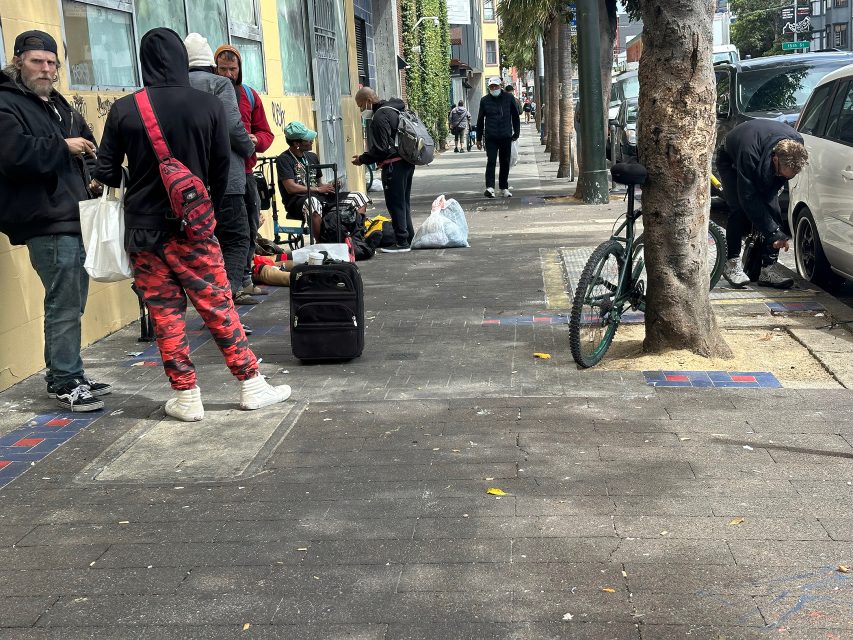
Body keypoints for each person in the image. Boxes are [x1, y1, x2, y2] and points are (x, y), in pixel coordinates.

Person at [94, 27, 290, 422]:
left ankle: (186, 398)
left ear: (144, 61)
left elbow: (107, 173)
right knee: (218, 305)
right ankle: (251, 385)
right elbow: (222, 170)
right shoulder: (209, 104)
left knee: (165, 315)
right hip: (193, 229)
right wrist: (205, 216)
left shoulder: (124, 109)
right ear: (181, 61)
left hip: (143, 232)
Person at [0, 30, 112, 412]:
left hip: (73, 215)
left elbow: (89, 145)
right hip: (45, 221)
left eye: (51, 63)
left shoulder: (59, 105)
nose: (45, 69)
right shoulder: (6, 103)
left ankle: (67, 374)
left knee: (71, 302)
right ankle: (66, 380)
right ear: (18, 62)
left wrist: (94, 175)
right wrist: (62, 147)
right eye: (36, 61)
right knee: (64, 305)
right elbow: (13, 156)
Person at [184, 33, 258, 305]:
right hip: (226, 180)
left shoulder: (171, 87)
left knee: (202, 246)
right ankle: (224, 303)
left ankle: (210, 301)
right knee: (237, 238)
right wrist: (249, 148)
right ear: (211, 64)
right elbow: (232, 126)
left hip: (185, 185)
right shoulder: (220, 85)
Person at [214, 44, 275, 300]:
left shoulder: (249, 96)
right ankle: (229, 287)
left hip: (246, 173)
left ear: (239, 70)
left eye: (232, 69)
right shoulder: (209, 92)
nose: (228, 74)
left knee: (249, 227)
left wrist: (254, 140)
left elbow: (267, 134)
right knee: (224, 234)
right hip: (214, 177)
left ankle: (244, 278)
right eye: (222, 69)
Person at [718, 119, 808, 289]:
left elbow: (771, 193)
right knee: (739, 208)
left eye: (788, 177)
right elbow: (748, 197)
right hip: (730, 158)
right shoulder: (749, 153)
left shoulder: (797, 144)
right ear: (775, 159)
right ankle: (732, 263)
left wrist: (775, 231)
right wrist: (772, 231)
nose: (784, 178)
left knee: (773, 206)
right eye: (782, 174)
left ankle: (768, 269)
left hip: (762, 148)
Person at [276, 121, 369, 240]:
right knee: (313, 204)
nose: (311, 141)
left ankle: (357, 237)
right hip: (297, 201)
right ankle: (321, 243)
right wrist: (319, 189)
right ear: (296, 143)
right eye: (307, 139)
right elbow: (291, 188)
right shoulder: (284, 159)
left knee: (359, 198)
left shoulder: (312, 156)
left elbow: (319, 183)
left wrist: (330, 187)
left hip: (319, 196)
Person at [352, 87, 415, 253]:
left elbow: (381, 149)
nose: (361, 109)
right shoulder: (393, 109)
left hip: (394, 165)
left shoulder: (380, 116)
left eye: (360, 105)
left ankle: (402, 241)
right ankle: (409, 237)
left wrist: (362, 159)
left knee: (395, 204)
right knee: (403, 202)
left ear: (368, 101)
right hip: (406, 162)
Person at [477, 77, 520, 198]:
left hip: (506, 135)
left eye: (496, 86)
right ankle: (490, 187)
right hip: (491, 136)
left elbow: (515, 116)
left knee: (504, 162)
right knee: (491, 161)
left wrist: (516, 133)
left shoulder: (509, 98)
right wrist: (479, 138)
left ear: (500, 86)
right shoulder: (484, 100)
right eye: (491, 87)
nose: (494, 88)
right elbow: (480, 120)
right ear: (489, 88)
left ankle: (504, 187)